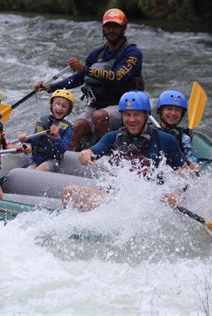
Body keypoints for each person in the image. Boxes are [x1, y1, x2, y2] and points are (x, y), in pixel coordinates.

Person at [35, 8, 144, 151]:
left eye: (116, 27)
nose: (111, 30)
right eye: (108, 26)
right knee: (77, 127)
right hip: (96, 104)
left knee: (100, 117)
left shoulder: (132, 54)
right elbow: (79, 78)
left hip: (124, 107)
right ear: (103, 29)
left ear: (124, 28)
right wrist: (50, 87)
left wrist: (84, 68)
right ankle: (66, 160)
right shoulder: (96, 54)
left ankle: (100, 154)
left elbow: (117, 77)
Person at [61, 91, 187, 212]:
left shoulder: (165, 139)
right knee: (69, 192)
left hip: (150, 201)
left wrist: (176, 193)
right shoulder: (113, 137)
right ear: (122, 116)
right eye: (127, 114)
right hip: (116, 197)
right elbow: (93, 151)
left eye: (136, 114)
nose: (131, 120)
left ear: (146, 115)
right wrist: (86, 153)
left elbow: (185, 171)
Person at [18, 89, 74, 172]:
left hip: (51, 160)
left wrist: (57, 137)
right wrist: (25, 139)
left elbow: (63, 149)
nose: (59, 108)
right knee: (28, 172)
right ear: (52, 105)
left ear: (68, 110)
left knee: (38, 171)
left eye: (64, 106)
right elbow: (35, 140)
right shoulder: (42, 120)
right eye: (57, 104)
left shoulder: (68, 127)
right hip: (36, 158)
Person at [156, 90, 200, 171]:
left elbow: (188, 155)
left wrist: (194, 164)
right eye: (169, 109)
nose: (173, 113)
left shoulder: (184, 137)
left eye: (177, 110)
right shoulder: (150, 131)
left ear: (182, 114)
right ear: (161, 111)